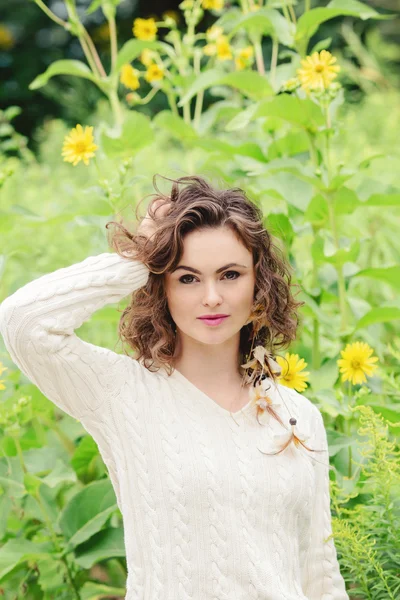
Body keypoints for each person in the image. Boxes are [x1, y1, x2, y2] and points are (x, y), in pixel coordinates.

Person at [0, 174, 349, 599]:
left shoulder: (297, 415)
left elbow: (319, 572)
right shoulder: (122, 394)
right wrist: (141, 254)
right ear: (160, 286)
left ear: (259, 283)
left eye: (230, 274)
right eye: (187, 278)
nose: (212, 297)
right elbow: (23, 321)